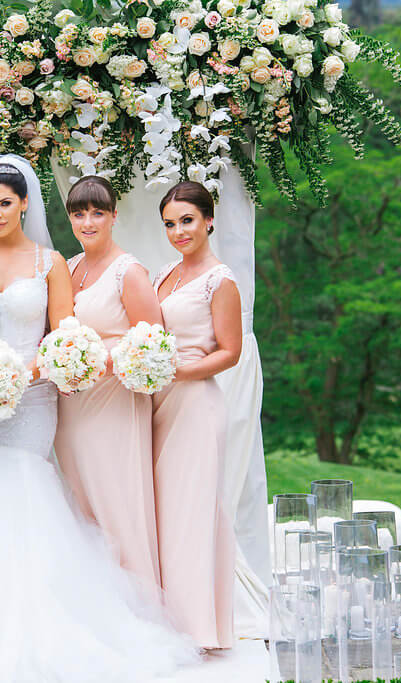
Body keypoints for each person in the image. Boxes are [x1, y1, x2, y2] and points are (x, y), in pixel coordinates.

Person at [0, 156, 200, 683]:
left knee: (25, 495)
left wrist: (18, 373)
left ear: (24, 205)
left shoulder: (50, 263)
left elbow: (62, 335)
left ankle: (39, 623)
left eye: (5, 204)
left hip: (32, 396)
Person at [54, 176, 163, 594]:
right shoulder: (70, 266)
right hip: (73, 407)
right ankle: (99, 605)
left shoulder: (128, 271)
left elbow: (151, 340)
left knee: (117, 502)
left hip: (114, 403)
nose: (88, 221)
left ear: (114, 216)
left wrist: (96, 364)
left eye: (97, 212)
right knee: (83, 503)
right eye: (79, 213)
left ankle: (139, 604)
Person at [151, 181, 242, 650]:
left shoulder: (219, 279)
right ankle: (167, 621)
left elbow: (230, 352)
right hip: (159, 404)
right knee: (163, 514)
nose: (178, 231)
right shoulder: (167, 272)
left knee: (191, 514)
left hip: (196, 405)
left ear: (208, 220)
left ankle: (199, 630)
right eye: (169, 223)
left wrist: (179, 371)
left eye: (187, 220)